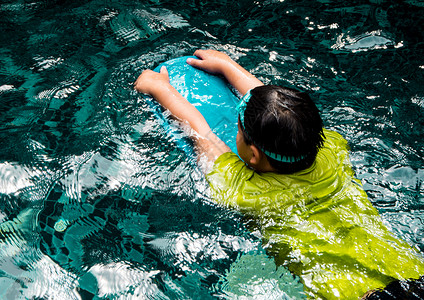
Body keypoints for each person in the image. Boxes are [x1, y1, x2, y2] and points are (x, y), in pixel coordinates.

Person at [134, 49, 424, 299]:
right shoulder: (333, 150)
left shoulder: (246, 192)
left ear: (254, 155)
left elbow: (204, 136)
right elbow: (289, 119)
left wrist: (160, 88)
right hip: (409, 271)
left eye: (239, 130)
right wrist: (228, 67)